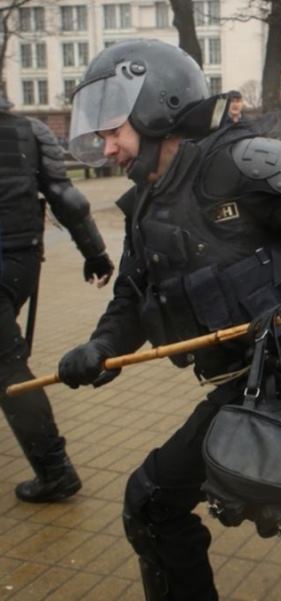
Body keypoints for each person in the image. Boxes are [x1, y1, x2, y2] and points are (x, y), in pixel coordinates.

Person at [57, 39, 281, 601]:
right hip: (246, 384)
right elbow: (132, 291)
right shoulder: (147, 201)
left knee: (153, 502)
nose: (107, 150)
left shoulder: (244, 164)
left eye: (114, 132)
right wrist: (101, 346)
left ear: (156, 107)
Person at [0, 95, 114, 503]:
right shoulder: (31, 130)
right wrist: (95, 253)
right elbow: (67, 197)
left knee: (8, 369)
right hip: (21, 263)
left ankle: (55, 472)